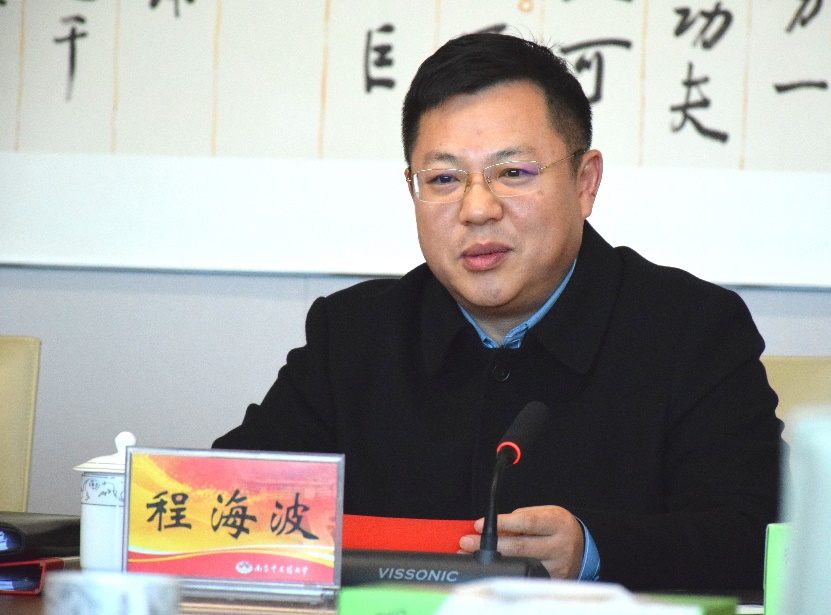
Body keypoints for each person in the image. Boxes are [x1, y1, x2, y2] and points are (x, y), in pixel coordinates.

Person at [214, 32, 781, 592]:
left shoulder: (693, 331)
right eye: (443, 179)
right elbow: (222, 503)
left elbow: (757, 536)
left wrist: (592, 549)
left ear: (585, 183)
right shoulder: (352, 336)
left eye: (512, 173)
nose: (477, 209)